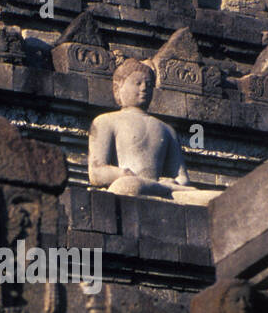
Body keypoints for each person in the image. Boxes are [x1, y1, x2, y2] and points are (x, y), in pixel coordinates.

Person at [88, 58, 211, 205]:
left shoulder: (167, 129)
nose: (144, 88)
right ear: (118, 87)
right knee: (128, 186)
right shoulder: (105, 121)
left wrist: (175, 182)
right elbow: (96, 172)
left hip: (165, 189)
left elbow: (182, 178)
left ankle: (159, 188)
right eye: (137, 83)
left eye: (148, 84)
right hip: (130, 184)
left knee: (213, 200)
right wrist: (121, 173)